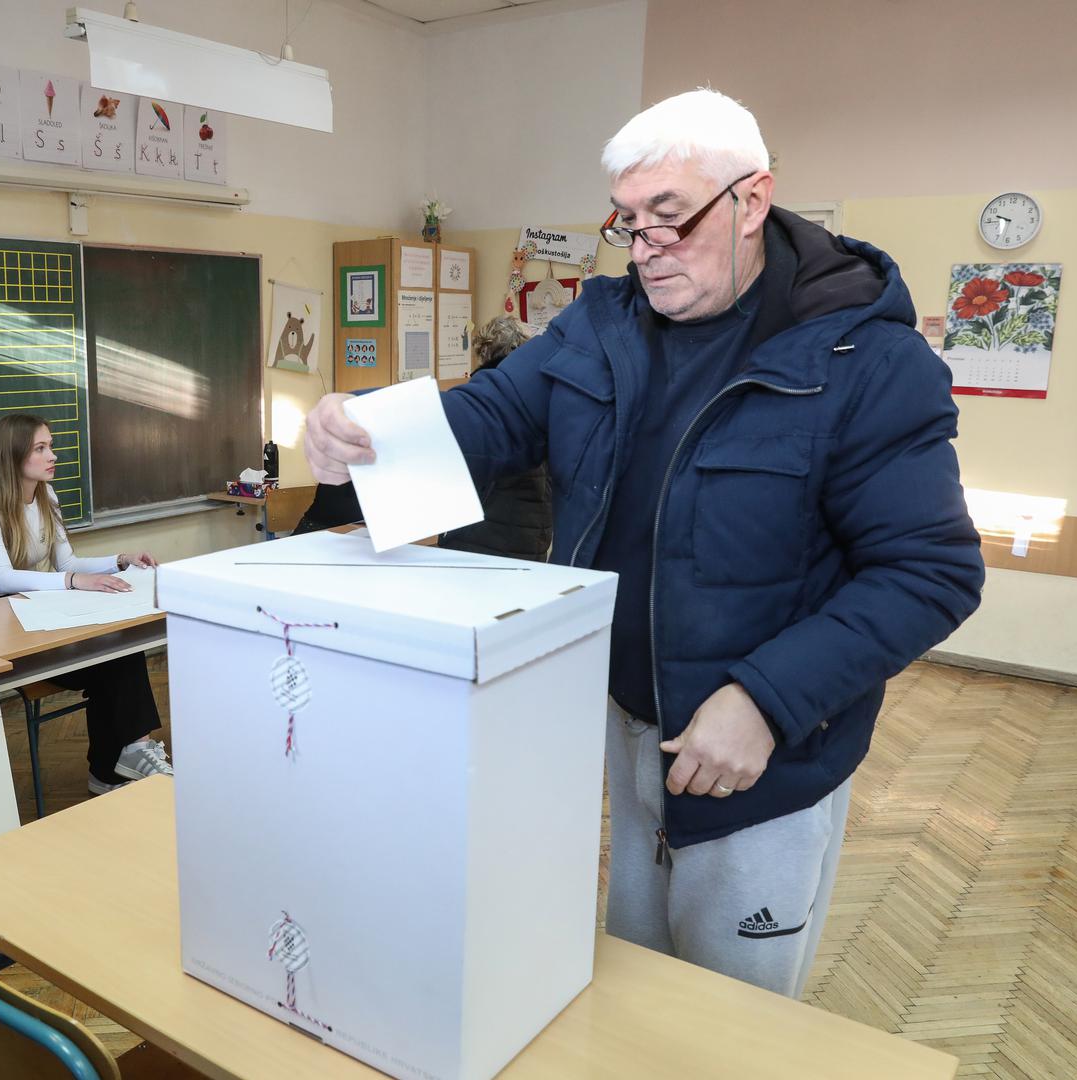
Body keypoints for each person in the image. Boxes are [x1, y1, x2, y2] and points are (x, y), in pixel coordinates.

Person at [302, 89, 984, 997]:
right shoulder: (603, 323)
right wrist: (367, 431)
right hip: (626, 726)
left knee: (728, 1018)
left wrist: (766, 701)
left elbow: (930, 572)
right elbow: (493, 414)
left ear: (751, 200)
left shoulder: (866, 362)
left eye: (670, 219)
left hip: (760, 755)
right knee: (631, 981)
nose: (646, 250)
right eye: (627, 223)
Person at [0, 412, 171, 794]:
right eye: (41, 448)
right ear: (13, 456)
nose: (52, 455)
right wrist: (74, 582)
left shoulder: (46, 495)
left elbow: (69, 564)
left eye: (50, 446)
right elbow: (2, 578)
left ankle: (122, 761)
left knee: (118, 649)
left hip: (30, 606)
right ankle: (117, 766)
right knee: (109, 660)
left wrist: (120, 561)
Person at [436, 316, 552, 561]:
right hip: (532, 537)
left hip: (479, 541)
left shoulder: (484, 405)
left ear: (484, 350)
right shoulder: (542, 397)